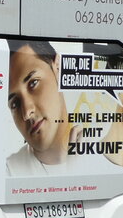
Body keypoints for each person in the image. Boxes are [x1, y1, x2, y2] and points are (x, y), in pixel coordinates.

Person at [6, 40, 73, 175]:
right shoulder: (8, 172)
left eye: (33, 83)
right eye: (15, 103)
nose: (27, 112)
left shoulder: (103, 154)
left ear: (58, 68)